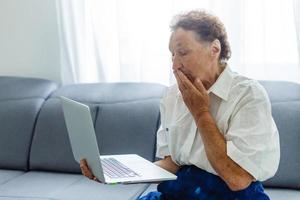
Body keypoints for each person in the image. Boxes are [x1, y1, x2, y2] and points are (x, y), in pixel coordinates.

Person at [80, 10, 280, 200]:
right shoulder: (172, 95)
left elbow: (237, 179)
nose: (174, 65)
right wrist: (122, 174)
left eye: (182, 53)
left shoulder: (248, 96)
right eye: (172, 55)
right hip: (180, 191)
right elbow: (172, 163)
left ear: (215, 49)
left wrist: (201, 113)